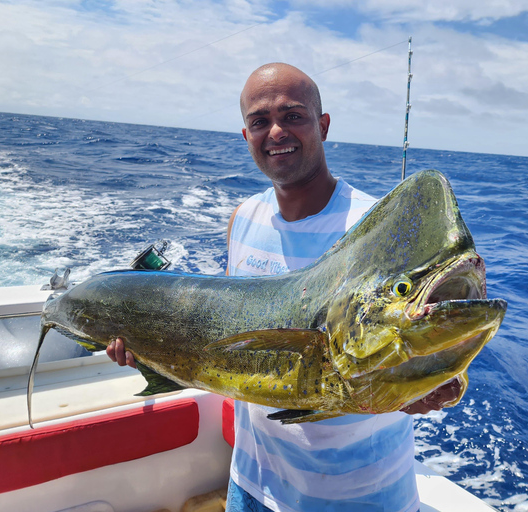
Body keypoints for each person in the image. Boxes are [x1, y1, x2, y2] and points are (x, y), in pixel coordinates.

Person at [108, 63, 463, 512]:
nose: (276, 131)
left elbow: (434, 336)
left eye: (293, 116)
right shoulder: (243, 218)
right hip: (251, 484)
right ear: (246, 136)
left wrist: (432, 386)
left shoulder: (375, 230)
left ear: (323, 125)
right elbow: (230, 328)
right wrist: (149, 347)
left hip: (361, 499)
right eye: (260, 121)